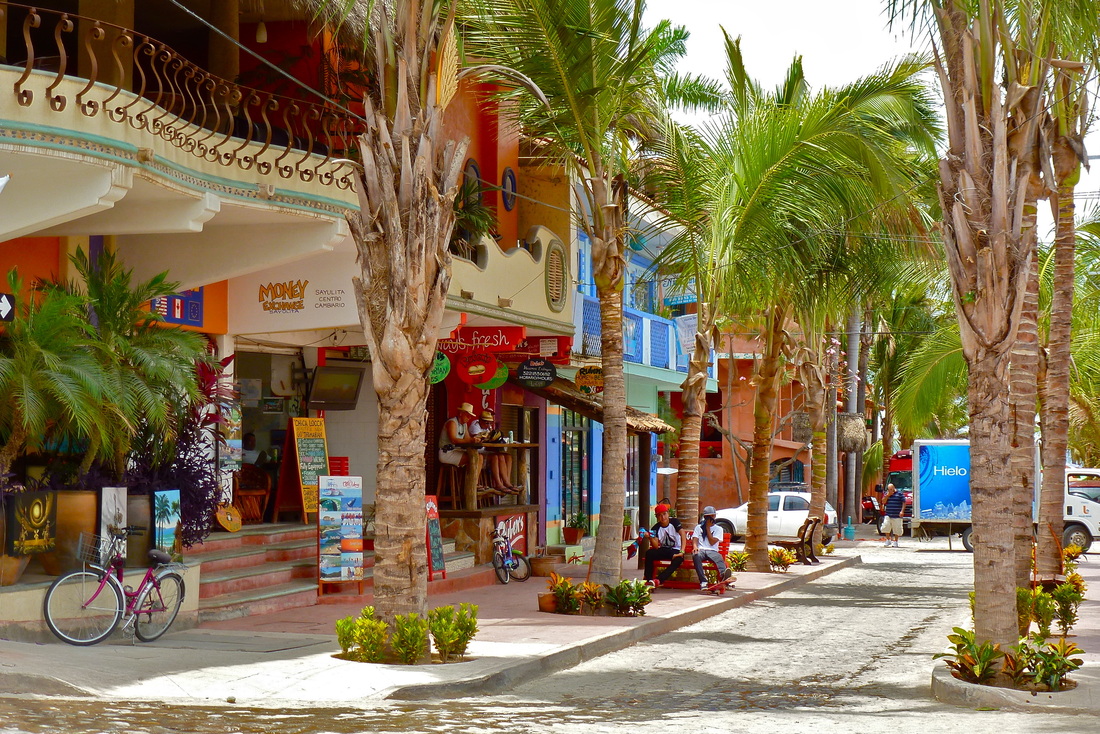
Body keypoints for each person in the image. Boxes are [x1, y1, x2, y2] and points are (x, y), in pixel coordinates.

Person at [643, 503, 686, 587]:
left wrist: (682, 551)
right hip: (664, 550)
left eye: (664, 514)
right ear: (657, 517)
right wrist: (650, 537)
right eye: (659, 515)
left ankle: (658, 580)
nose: (663, 517)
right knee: (649, 553)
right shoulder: (655, 528)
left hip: (676, 550)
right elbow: (656, 547)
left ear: (668, 513)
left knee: (678, 559)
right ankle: (648, 580)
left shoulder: (674, 522)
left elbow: (683, 534)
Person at [691, 506, 734, 591]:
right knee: (695, 555)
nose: (710, 519)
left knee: (719, 558)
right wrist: (695, 547)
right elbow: (695, 539)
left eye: (712, 516)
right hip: (701, 550)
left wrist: (707, 528)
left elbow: (712, 542)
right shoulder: (698, 527)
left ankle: (724, 577)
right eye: (708, 517)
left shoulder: (719, 529)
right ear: (705, 517)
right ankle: (703, 582)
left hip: (713, 550)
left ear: (714, 516)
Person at [472, 409, 516, 492]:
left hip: (487, 451)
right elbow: (477, 440)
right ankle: (498, 484)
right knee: (496, 457)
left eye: (490, 422)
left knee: (508, 456)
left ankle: (507, 482)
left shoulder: (488, 428)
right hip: (479, 452)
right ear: (480, 420)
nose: (488, 425)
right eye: (486, 423)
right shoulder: (475, 426)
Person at [438, 402, 479, 466]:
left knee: (479, 457)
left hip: (456, 450)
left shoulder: (464, 424)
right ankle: (468, 476)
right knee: (473, 458)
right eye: (467, 415)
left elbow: (467, 439)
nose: (469, 418)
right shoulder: (452, 422)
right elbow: (453, 440)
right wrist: (470, 440)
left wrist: (477, 439)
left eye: (470, 416)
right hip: (447, 453)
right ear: (460, 414)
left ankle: (474, 476)